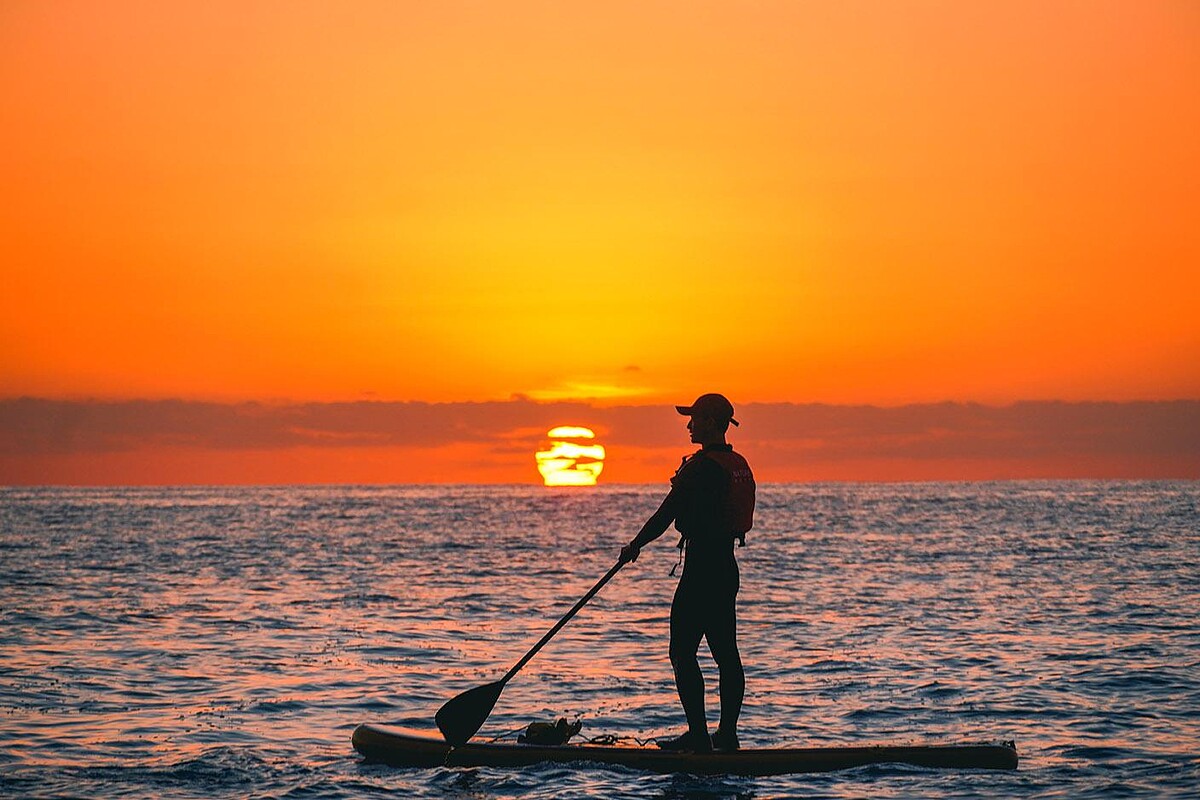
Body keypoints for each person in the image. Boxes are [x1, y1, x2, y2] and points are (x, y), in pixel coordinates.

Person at [619, 393, 756, 753]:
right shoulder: (733, 463)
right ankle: (727, 736)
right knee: (726, 653)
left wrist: (635, 545)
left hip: (701, 570)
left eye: (694, 418)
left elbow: (667, 513)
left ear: (711, 422)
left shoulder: (702, 468)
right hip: (725, 569)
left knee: (682, 651)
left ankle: (699, 736)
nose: (689, 425)